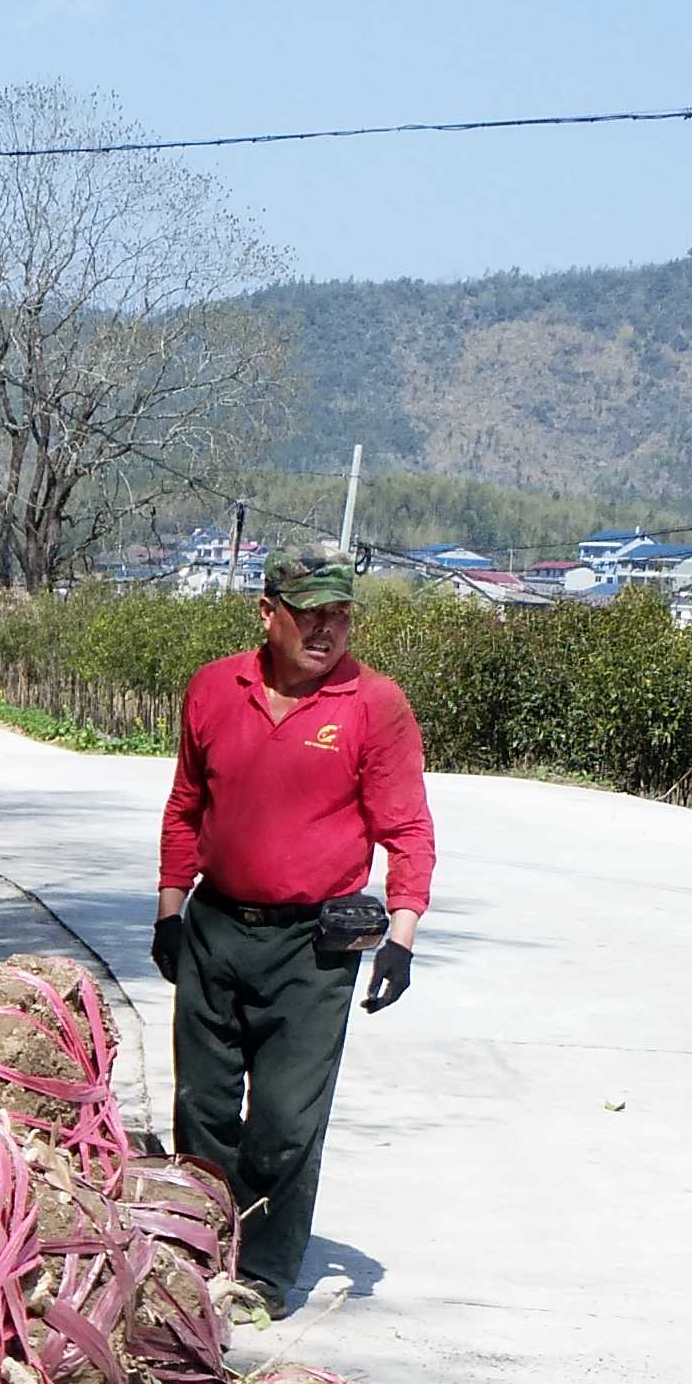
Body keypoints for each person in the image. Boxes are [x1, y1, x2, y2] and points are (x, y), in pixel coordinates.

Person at [149, 553, 434, 1314]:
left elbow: (407, 829)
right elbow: (185, 807)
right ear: (267, 612)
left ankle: (264, 1276)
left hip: (314, 947)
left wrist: (400, 938)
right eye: (308, 613)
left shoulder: (376, 705)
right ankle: (197, 1253)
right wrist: (171, 911)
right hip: (215, 926)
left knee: (283, 1122)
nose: (326, 628)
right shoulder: (214, 688)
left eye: (338, 614)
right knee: (203, 1108)